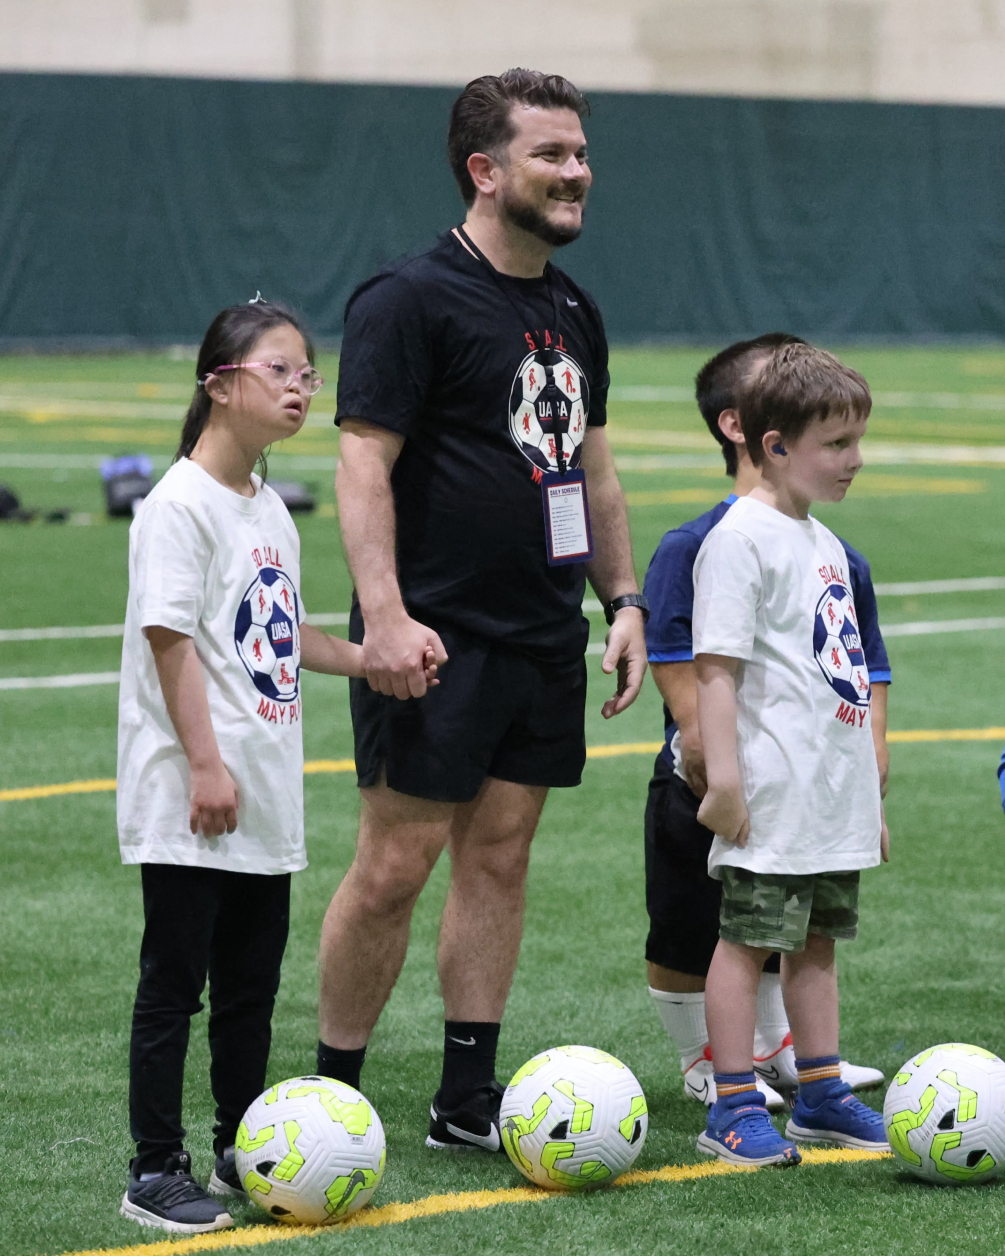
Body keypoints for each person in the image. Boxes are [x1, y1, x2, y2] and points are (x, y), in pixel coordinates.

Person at [319, 68, 647, 1151]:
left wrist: (624, 598)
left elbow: (595, 475)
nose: (577, 173)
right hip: (433, 637)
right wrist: (384, 619)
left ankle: (466, 1094)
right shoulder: (407, 298)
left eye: (581, 154)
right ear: (484, 170)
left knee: (500, 854)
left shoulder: (572, 306)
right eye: (551, 155)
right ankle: (335, 1090)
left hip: (543, 632)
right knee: (395, 863)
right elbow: (362, 466)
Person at [116, 299, 404, 1234]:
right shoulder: (178, 504)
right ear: (220, 383)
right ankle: (155, 1169)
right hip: (198, 793)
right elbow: (169, 642)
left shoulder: (267, 505)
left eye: (307, 373)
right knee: (175, 986)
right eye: (279, 370)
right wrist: (204, 764)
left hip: (265, 797)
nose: (300, 388)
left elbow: (275, 638)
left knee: (250, 991)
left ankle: (243, 1145)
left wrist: (368, 657)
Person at [642, 334, 890, 1112]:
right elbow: (714, 671)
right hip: (769, 795)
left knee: (815, 944)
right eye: (837, 444)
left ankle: (818, 1090)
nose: (854, 459)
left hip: (824, 795)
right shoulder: (737, 540)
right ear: (773, 446)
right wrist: (724, 782)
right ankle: (734, 1102)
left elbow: (842, 674)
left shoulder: (821, 543)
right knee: (745, 944)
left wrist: (865, 800)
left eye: (858, 441)